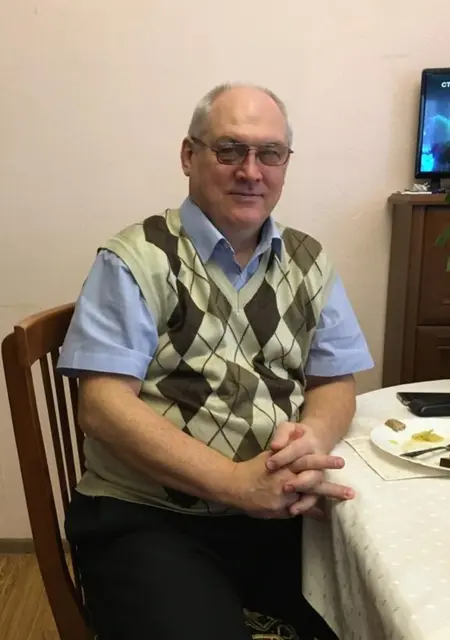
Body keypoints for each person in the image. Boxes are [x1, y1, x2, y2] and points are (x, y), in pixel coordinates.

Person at [58, 82, 373, 640]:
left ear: (285, 163)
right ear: (189, 155)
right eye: (229, 150)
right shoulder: (136, 258)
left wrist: (311, 440)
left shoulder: (309, 260)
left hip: (280, 514)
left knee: (377, 613)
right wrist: (235, 482)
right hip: (151, 518)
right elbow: (102, 406)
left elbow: (334, 380)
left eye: (269, 153)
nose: (251, 171)